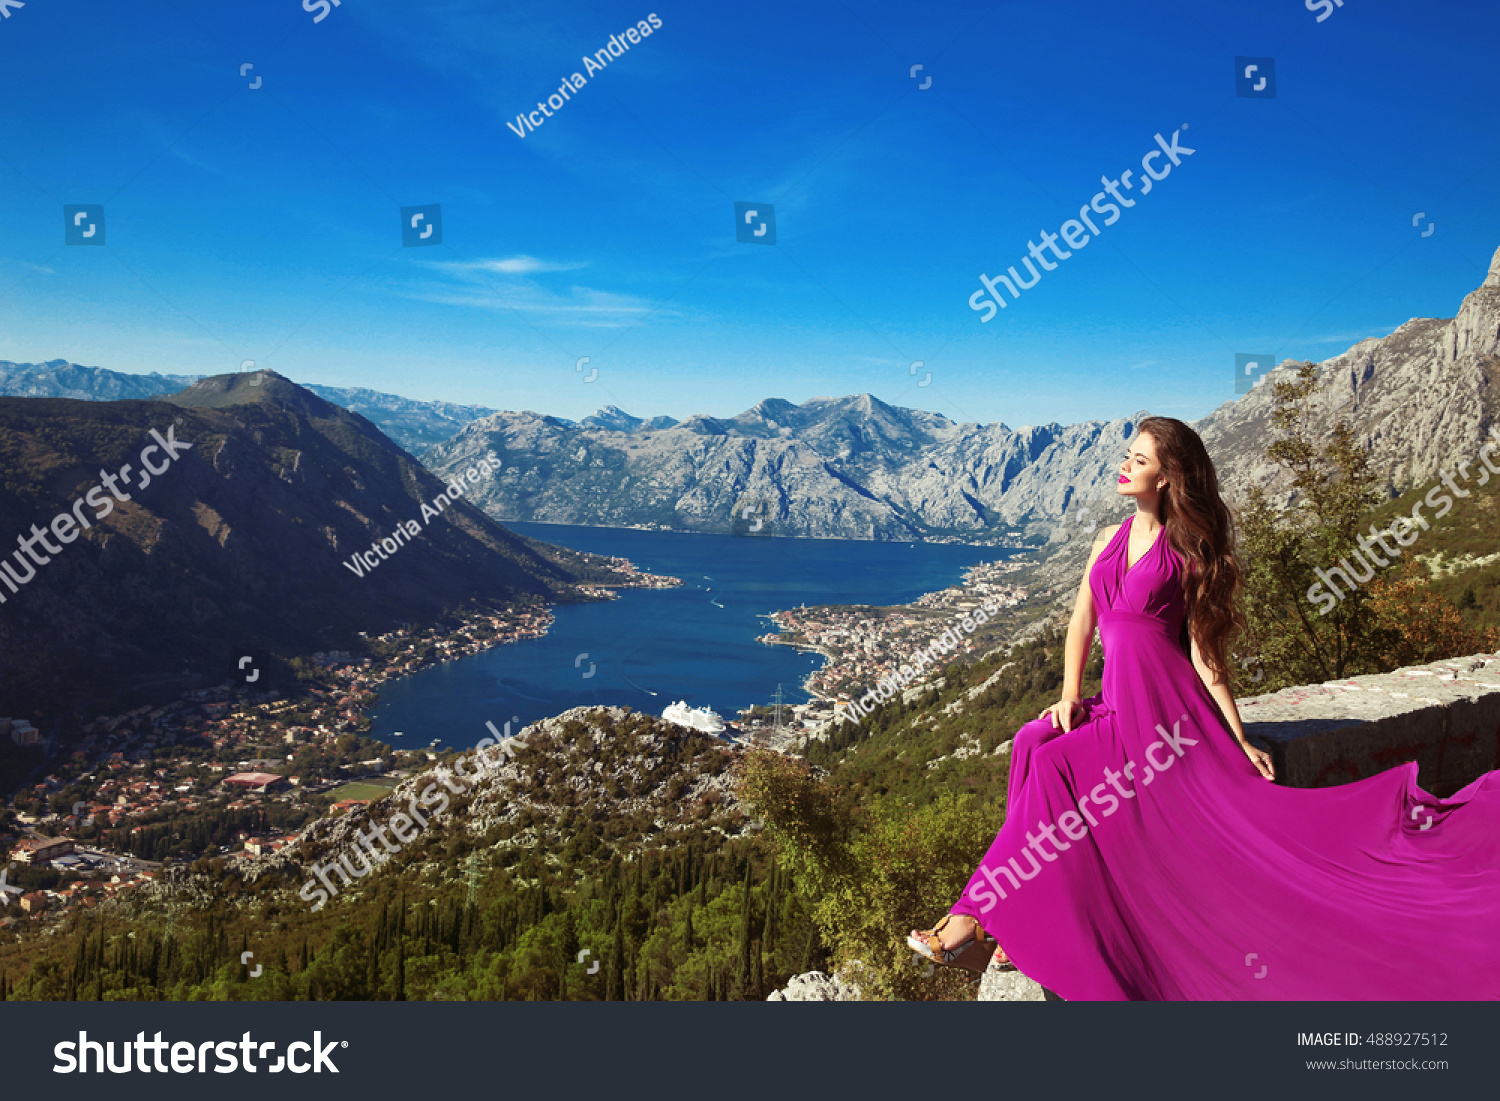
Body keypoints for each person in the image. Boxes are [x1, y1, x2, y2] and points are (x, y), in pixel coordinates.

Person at [906, 416, 1500, 999]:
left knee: (1059, 768)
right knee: (1033, 740)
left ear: (1166, 479)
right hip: (1113, 704)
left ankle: (974, 918)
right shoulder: (1106, 539)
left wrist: (1238, 737)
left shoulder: (1187, 551)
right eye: (1128, 455)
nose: (1125, 465)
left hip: (1162, 717)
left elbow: (1206, 655)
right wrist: (1067, 696)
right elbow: (1081, 623)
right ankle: (1021, 907)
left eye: (1139, 460)